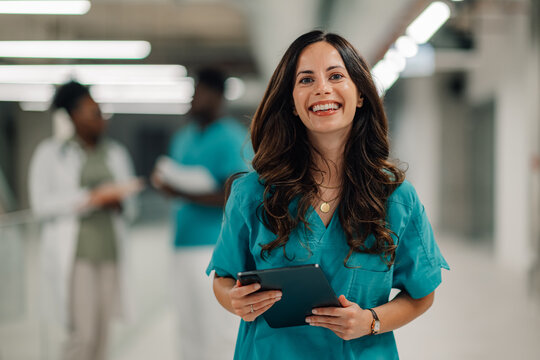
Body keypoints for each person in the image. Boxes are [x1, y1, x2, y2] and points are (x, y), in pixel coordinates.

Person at [206, 30, 450, 359]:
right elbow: (223, 279)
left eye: (336, 75)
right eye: (306, 79)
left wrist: (371, 321)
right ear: (292, 103)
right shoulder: (252, 193)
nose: (322, 88)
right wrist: (235, 301)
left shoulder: (396, 198)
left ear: (360, 94)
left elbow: (422, 293)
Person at [28, 81, 141, 360]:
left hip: (110, 254)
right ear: (74, 115)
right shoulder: (50, 154)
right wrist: (91, 197)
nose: (100, 119)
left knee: (103, 334)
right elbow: (40, 204)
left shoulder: (115, 154)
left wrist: (118, 203)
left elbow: (132, 209)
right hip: (77, 257)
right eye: (93, 113)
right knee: (83, 335)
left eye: (101, 112)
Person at [152, 68, 251, 360]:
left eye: (201, 92)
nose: (194, 99)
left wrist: (179, 191)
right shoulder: (183, 137)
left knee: (218, 329)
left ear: (218, 96)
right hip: (181, 244)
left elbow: (235, 195)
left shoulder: (233, 138)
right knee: (187, 326)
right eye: (193, 92)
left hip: (214, 247)